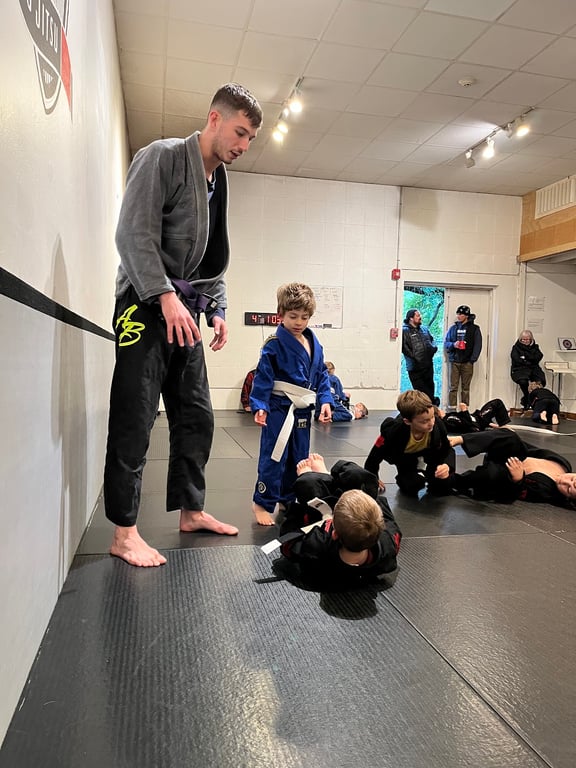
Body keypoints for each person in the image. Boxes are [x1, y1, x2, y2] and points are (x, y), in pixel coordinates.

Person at [103, 83, 263, 567]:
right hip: (142, 303)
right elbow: (131, 233)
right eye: (240, 132)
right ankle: (124, 532)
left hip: (183, 310)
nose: (243, 145)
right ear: (214, 119)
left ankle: (191, 510)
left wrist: (216, 308)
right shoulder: (163, 157)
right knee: (135, 416)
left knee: (197, 415)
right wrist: (163, 294)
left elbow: (212, 257)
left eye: (251, 138)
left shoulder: (218, 180)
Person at [250, 283, 333, 526]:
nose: (299, 322)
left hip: (303, 409)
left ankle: (287, 497)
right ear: (281, 314)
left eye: (304, 317)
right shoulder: (274, 343)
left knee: (299, 457)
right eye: (293, 316)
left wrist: (325, 400)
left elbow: (321, 374)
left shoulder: (314, 342)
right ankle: (262, 502)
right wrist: (260, 405)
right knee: (274, 456)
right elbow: (263, 376)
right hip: (279, 407)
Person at [275, 453, 402, 591]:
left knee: (307, 483)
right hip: (345, 520)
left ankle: (323, 478)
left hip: (322, 511)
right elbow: (388, 520)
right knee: (359, 477)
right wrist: (372, 505)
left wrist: (297, 510)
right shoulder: (387, 548)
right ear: (378, 532)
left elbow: (287, 541)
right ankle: (325, 476)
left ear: (334, 533)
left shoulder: (316, 546)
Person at [450, 429, 576, 506]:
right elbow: (529, 449)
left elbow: (520, 494)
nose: (564, 482)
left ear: (568, 498)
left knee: (493, 475)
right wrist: (503, 438)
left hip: (502, 473)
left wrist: (518, 479)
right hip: (508, 455)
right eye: (572, 480)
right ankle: (458, 440)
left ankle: (453, 480)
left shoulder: (547, 492)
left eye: (568, 489)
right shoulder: (564, 464)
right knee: (511, 436)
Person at [364, 390, 455, 497]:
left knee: (443, 485)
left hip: (430, 456)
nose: (431, 423)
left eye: (432, 417)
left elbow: (447, 448)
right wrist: (372, 477)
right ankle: (407, 477)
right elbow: (374, 456)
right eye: (424, 421)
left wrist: (446, 465)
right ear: (408, 421)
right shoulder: (393, 432)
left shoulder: (438, 426)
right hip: (405, 459)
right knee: (413, 485)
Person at [444, 305, 482, 407]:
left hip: (467, 362)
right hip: (455, 361)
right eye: (458, 314)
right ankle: (452, 409)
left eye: (461, 314)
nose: (458, 316)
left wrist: (472, 360)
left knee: (465, 388)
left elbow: (478, 345)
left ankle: (464, 410)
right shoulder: (453, 328)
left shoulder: (474, 329)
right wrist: (453, 344)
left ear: (466, 315)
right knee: (453, 387)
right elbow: (446, 343)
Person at [402, 309, 438, 404]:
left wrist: (433, 349)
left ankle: (432, 408)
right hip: (415, 368)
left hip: (428, 365)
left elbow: (432, 340)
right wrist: (415, 357)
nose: (420, 317)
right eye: (417, 315)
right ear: (411, 318)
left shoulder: (424, 329)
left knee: (430, 390)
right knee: (421, 394)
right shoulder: (404, 331)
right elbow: (404, 348)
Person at [510, 330, 546, 409]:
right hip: (519, 369)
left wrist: (525, 358)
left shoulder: (535, 347)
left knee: (539, 381)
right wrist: (529, 359)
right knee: (523, 381)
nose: (525, 341)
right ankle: (527, 398)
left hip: (533, 369)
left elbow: (538, 357)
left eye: (527, 339)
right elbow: (517, 359)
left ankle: (533, 401)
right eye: (523, 339)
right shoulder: (516, 347)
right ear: (520, 339)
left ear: (531, 339)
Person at [440, 398, 511, 433]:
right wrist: (464, 411)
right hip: (477, 423)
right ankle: (503, 426)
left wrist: (491, 424)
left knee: (497, 403)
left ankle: (503, 426)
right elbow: (467, 424)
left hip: (478, 418)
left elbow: (468, 419)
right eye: (439, 410)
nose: (441, 410)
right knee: (497, 403)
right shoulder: (447, 421)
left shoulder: (448, 415)